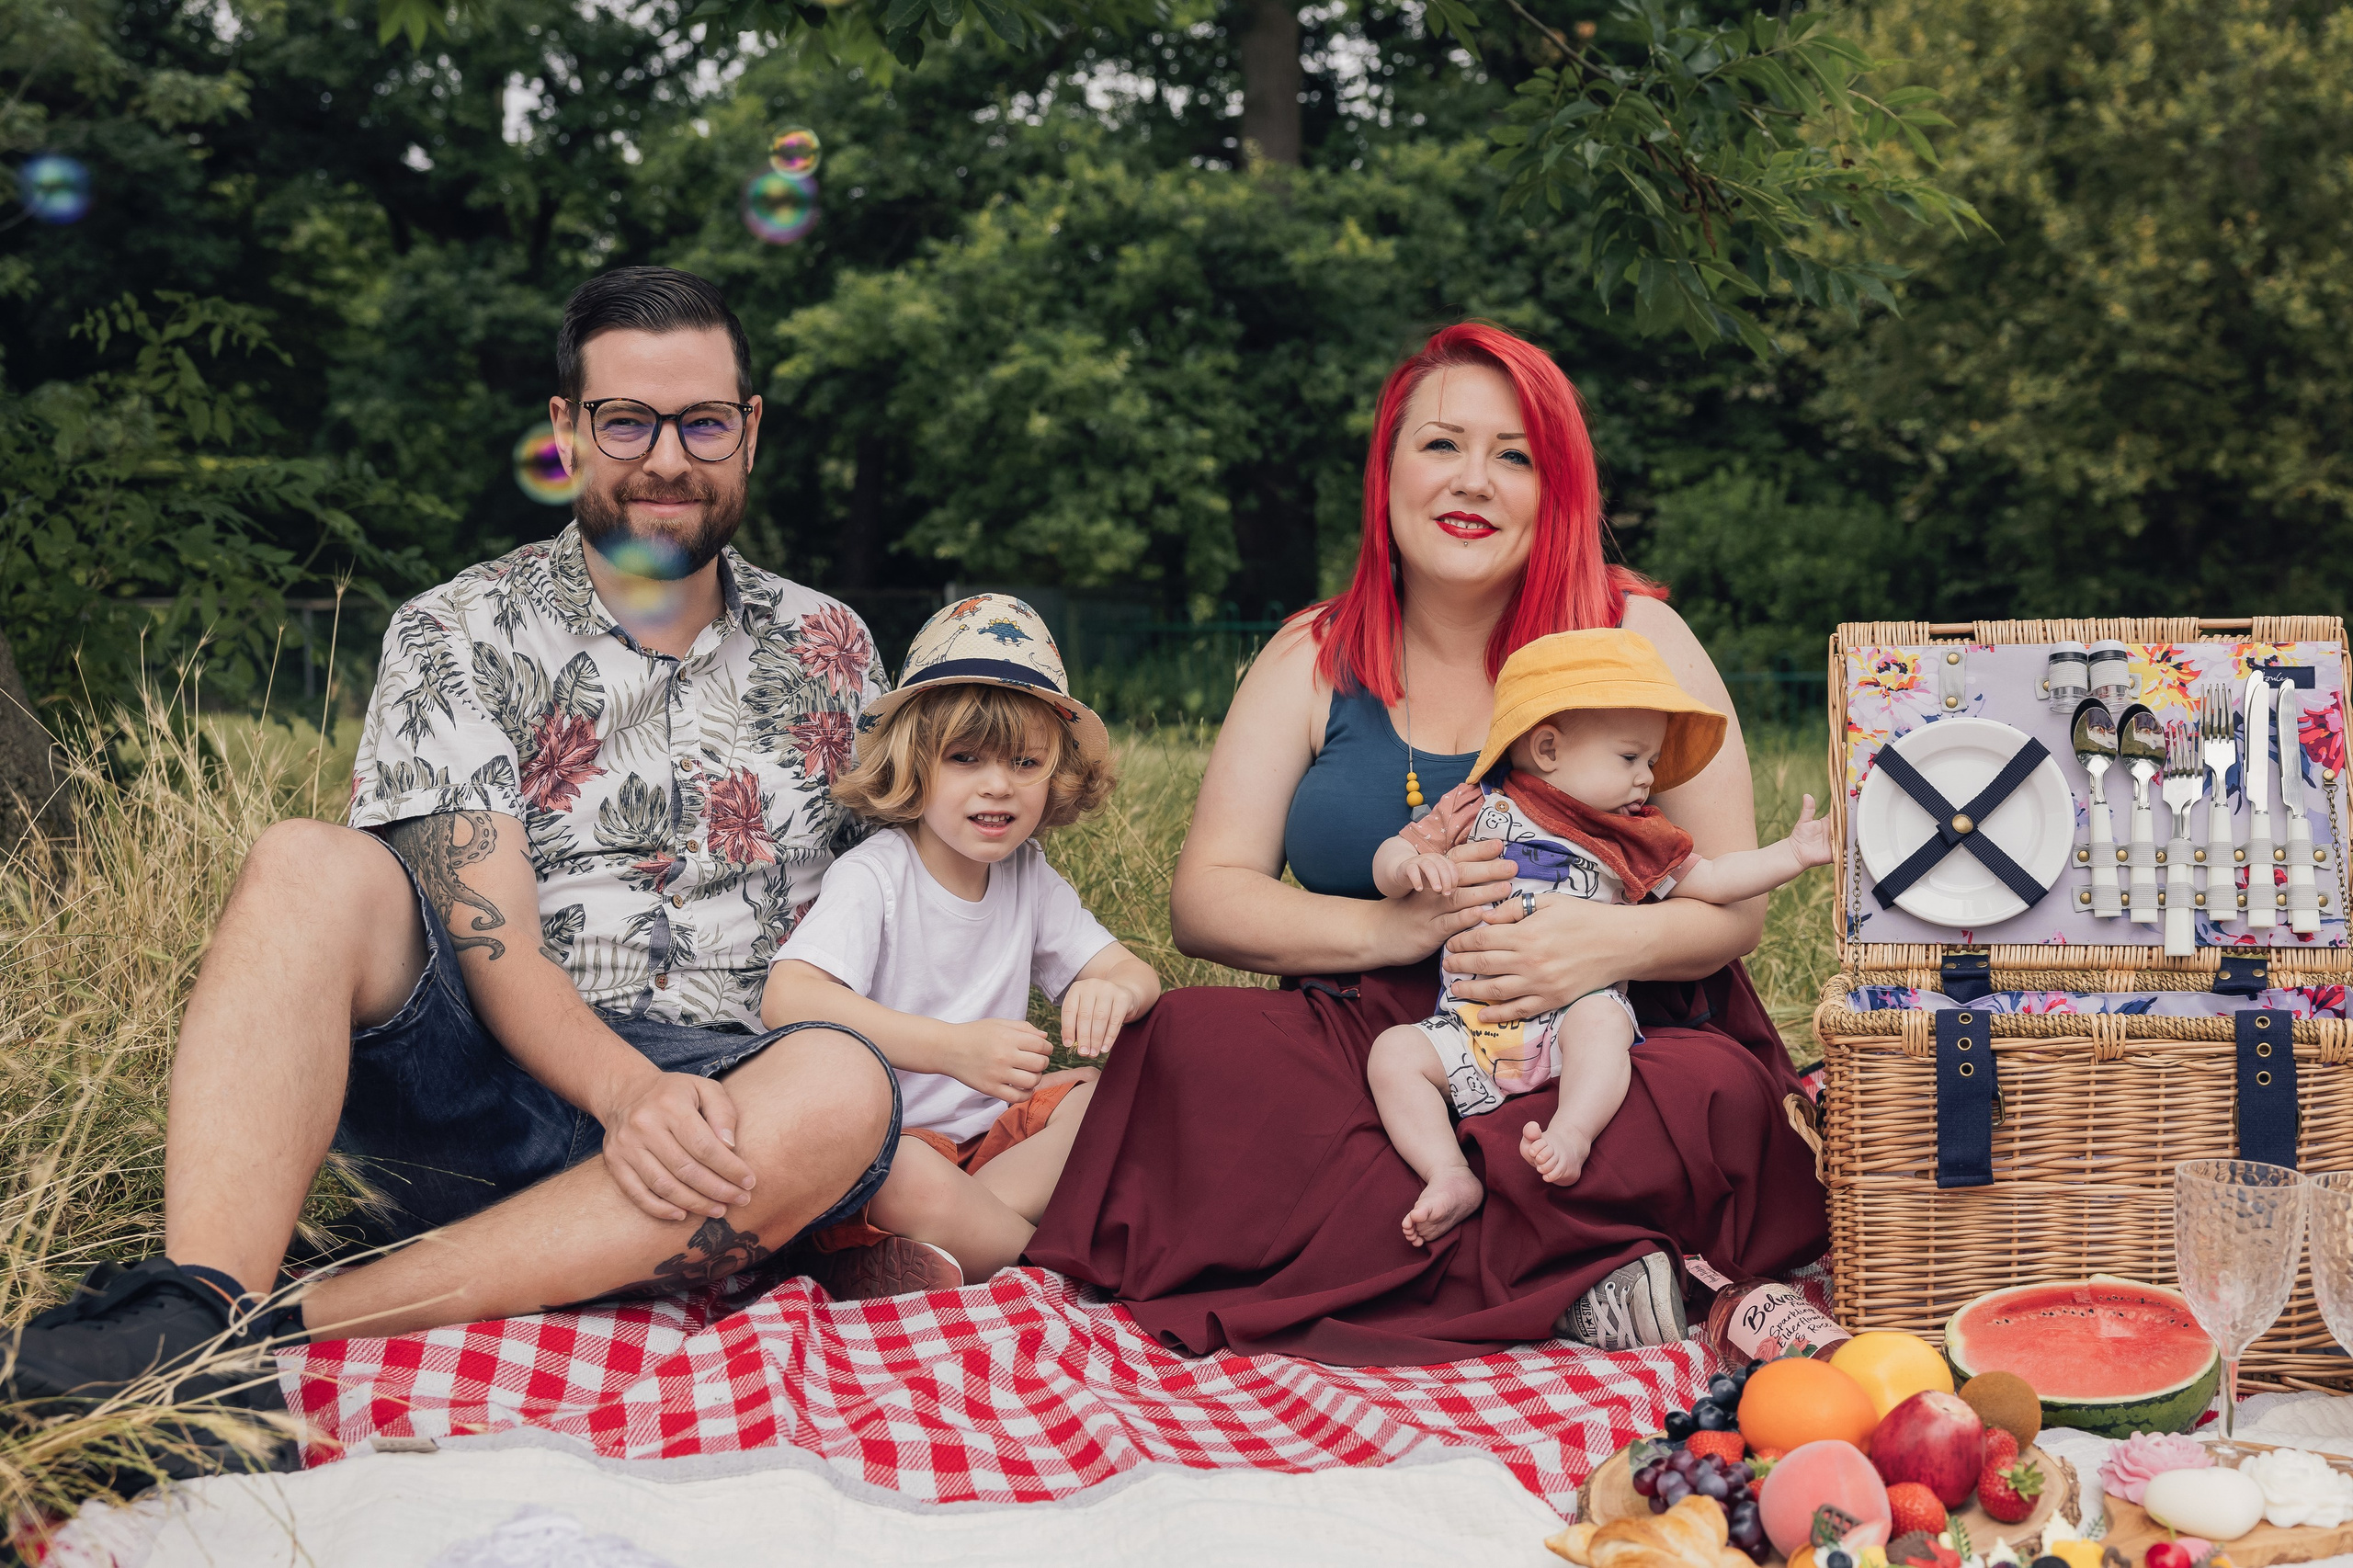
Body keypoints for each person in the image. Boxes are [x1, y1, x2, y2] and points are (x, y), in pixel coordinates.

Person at [2, 267, 901, 1445]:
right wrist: (625, 1091)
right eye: (626, 421)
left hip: (723, 1113)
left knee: (842, 1085)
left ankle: (256, 1337)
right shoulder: (460, 624)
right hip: (479, 1080)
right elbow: (493, 938)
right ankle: (196, 1295)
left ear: (750, 428)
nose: (665, 458)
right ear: (566, 429)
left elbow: (892, 900)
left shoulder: (834, 645)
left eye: (702, 422)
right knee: (306, 862)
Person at [1024, 321, 1832, 1365]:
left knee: (1710, 1093)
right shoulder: (1313, 652)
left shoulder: (1635, 637)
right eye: (1441, 444)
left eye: (1514, 456)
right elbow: (1209, 898)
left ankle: (1437, 1256)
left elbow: (1734, 910)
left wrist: (1596, 947)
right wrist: (1393, 929)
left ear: (1556, 488)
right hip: (1374, 1041)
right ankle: (1572, 1268)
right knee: (1185, 1043)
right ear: (1388, 470)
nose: (1473, 481)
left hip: (1610, 1034)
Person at [1369, 628, 1835, 1247]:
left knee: (1603, 1022)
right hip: (1472, 1026)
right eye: (1630, 758)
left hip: (1568, 1020)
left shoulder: (1630, 833)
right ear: (1547, 747)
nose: (1647, 779)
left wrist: (1792, 854)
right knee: (1394, 1054)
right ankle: (1448, 1172)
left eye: (1651, 763)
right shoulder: (1476, 807)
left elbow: (1716, 880)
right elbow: (1395, 851)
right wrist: (1409, 867)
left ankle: (1574, 1130)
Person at [761, 595, 1162, 1299]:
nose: (998, 785)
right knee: (905, 1178)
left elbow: (1136, 975)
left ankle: (952, 1247)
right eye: (966, 758)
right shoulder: (877, 876)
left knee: (1102, 1096)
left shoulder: (1027, 875)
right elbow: (788, 999)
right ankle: (1055, 1269)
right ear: (914, 764)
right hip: (895, 1149)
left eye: (1025, 761)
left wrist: (1112, 989)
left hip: (995, 1147)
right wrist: (951, 1049)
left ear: (1055, 774)